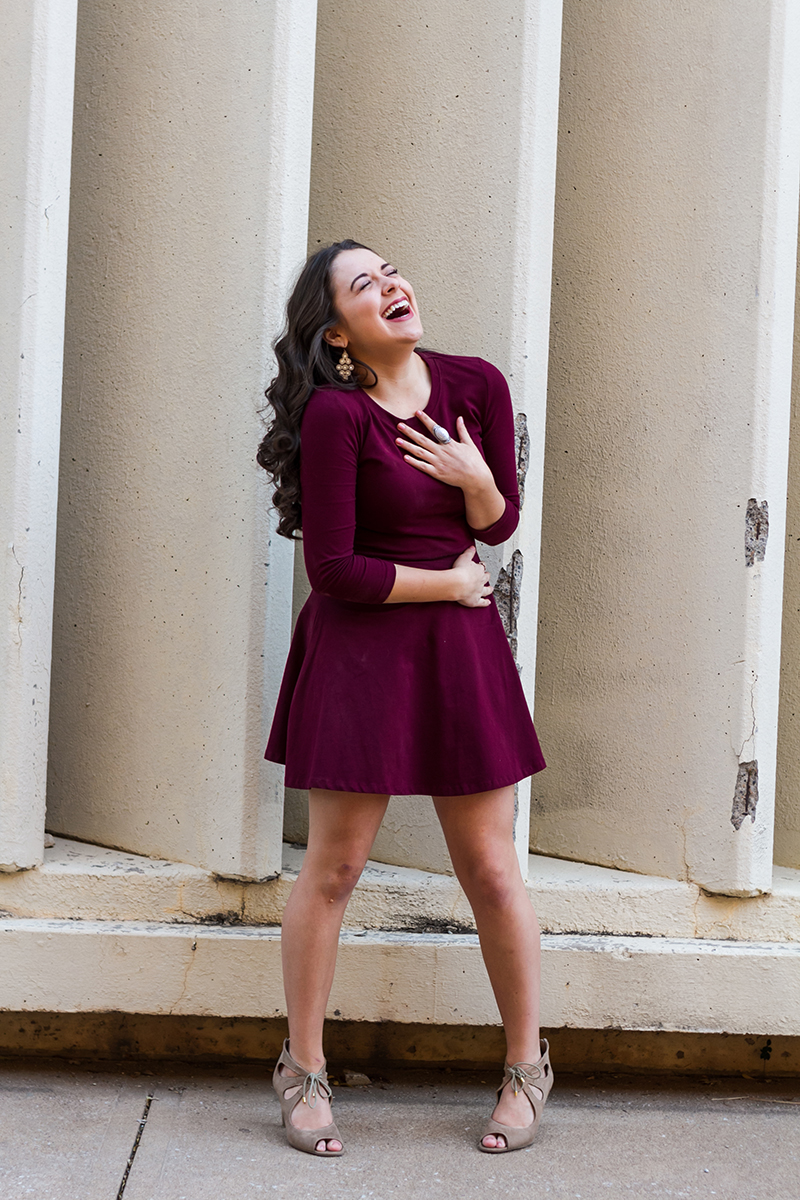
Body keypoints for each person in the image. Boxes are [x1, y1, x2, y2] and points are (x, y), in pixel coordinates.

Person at [257, 239, 552, 1156]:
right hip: (364, 650)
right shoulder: (338, 416)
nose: (391, 286)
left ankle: (526, 1066)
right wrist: (451, 586)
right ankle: (301, 1069)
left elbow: (498, 524)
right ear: (337, 332)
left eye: (391, 272)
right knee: (335, 869)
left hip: (458, 654)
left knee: (493, 872)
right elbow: (334, 569)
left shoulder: (477, 385)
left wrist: (476, 482)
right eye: (363, 285)